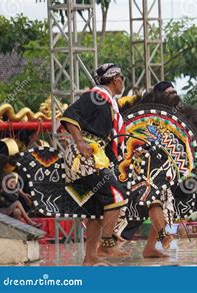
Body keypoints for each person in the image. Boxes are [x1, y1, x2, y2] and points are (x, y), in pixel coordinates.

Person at [61, 63, 128, 266]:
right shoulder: (96, 96)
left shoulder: (108, 103)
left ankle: (90, 258)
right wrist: (80, 142)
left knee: (97, 211)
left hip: (95, 157)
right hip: (85, 159)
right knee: (117, 197)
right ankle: (107, 245)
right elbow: (70, 115)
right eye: (122, 78)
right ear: (116, 79)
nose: (122, 82)